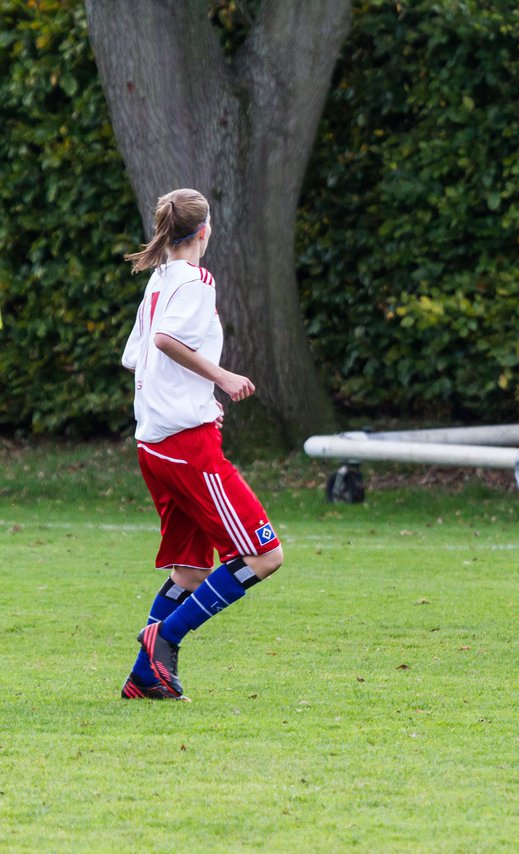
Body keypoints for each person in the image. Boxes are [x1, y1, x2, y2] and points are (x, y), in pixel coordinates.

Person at [119, 189, 283, 700]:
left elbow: (134, 356)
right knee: (264, 555)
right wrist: (222, 375)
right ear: (205, 232)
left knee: (190, 571)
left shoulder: (159, 281)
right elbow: (166, 341)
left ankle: (145, 678)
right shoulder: (195, 280)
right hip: (187, 444)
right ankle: (164, 639)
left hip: (155, 445)